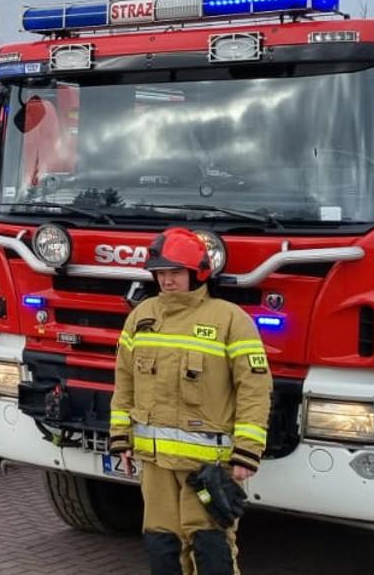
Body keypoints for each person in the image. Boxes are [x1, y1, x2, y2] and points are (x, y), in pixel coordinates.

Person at [110, 227, 271, 575]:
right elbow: (124, 383)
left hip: (209, 467)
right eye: (162, 273)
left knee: (211, 549)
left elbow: (254, 389)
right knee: (162, 547)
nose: (167, 281)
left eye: (176, 273)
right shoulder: (141, 317)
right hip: (156, 465)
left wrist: (247, 450)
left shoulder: (230, 320)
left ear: (198, 272)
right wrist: (120, 438)